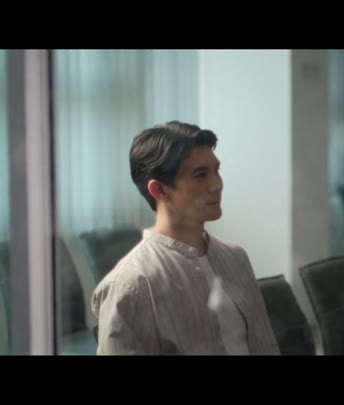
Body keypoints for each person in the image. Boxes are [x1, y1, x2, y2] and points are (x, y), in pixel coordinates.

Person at [92, 121, 279, 355]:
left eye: (216, 171)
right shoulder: (130, 285)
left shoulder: (235, 257)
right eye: (200, 175)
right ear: (160, 190)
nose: (217, 185)